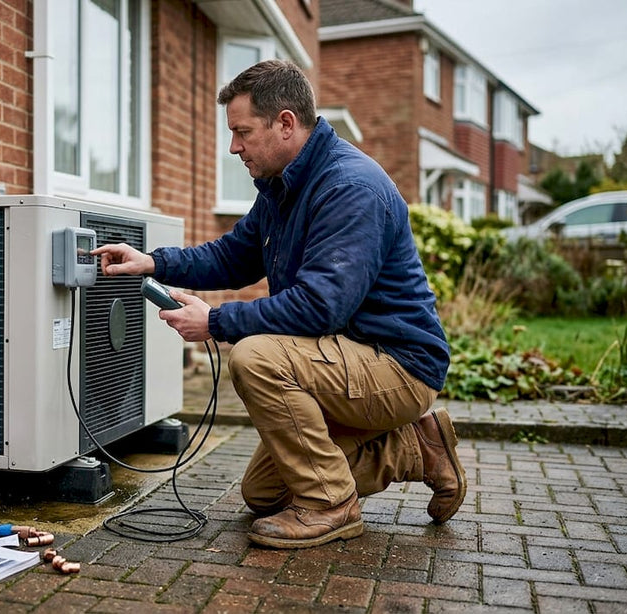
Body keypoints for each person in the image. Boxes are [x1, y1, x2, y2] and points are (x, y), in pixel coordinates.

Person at [90, 59, 465, 549]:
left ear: (286, 123)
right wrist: (153, 263)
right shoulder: (283, 186)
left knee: (254, 357)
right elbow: (232, 256)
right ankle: (418, 449)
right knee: (263, 493)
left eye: (242, 132)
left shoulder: (349, 188)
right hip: (340, 358)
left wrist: (216, 321)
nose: (234, 147)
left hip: (397, 365)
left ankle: (331, 506)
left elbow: (319, 307)